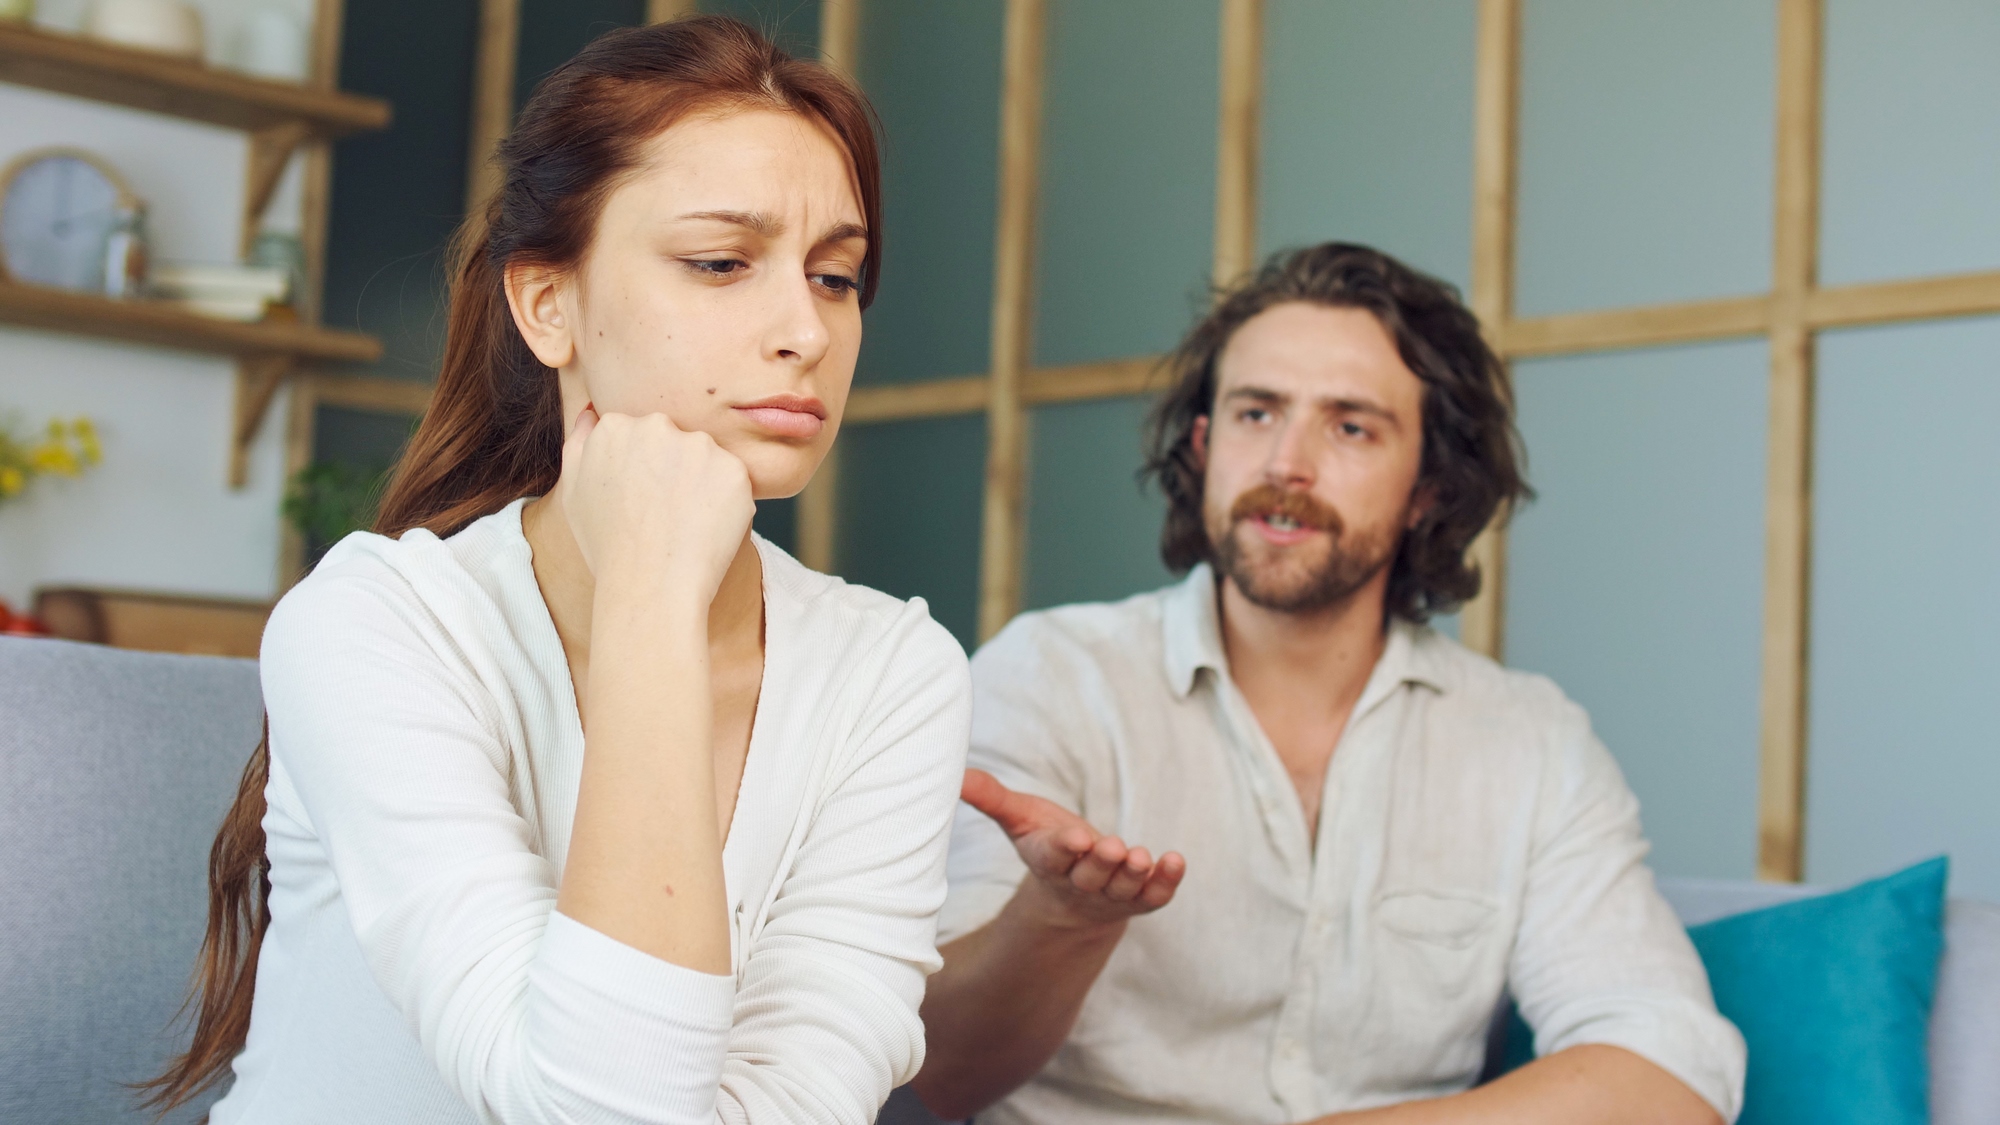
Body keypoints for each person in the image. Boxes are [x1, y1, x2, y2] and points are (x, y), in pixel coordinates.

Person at [143, 17, 969, 1124]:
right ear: (547, 304)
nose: (804, 331)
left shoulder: (893, 670)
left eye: (834, 276)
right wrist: (651, 604)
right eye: (720, 263)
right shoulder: (376, 622)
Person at [913, 244, 1746, 1124]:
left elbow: (1671, 1066)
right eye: (1256, 412)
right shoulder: (1049, 677)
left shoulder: (1531, 741)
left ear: (1429, 484)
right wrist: (1060, 918)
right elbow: (932, 1078)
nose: (1287, 463)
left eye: (1350, 426)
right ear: (1204, 446)